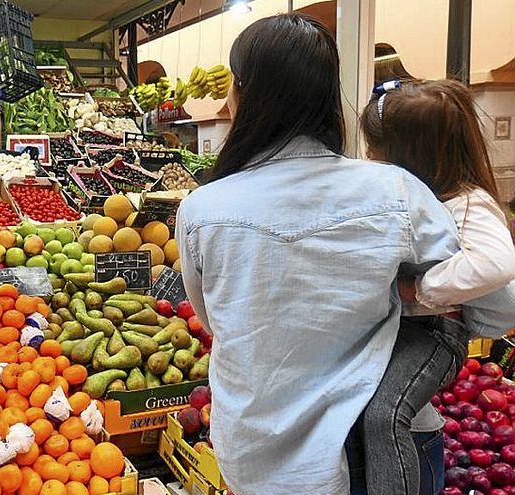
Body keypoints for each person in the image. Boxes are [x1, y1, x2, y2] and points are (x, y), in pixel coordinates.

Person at [175, 13, 515, 494]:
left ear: (243, 95)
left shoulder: (201, 210)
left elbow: (215, 319)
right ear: (328, 98)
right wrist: (417, 294)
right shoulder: (398, 192)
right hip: (382, 457)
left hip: (258, 461)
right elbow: (499, 309)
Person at [359, 79, 515, 494]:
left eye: (376, 150)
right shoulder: (412, 197)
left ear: (406, 154)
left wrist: (418, 288)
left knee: (383, 416)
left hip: (434, 333)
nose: (370, 159)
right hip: (398, 330)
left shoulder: (466, 202)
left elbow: (496, 263)